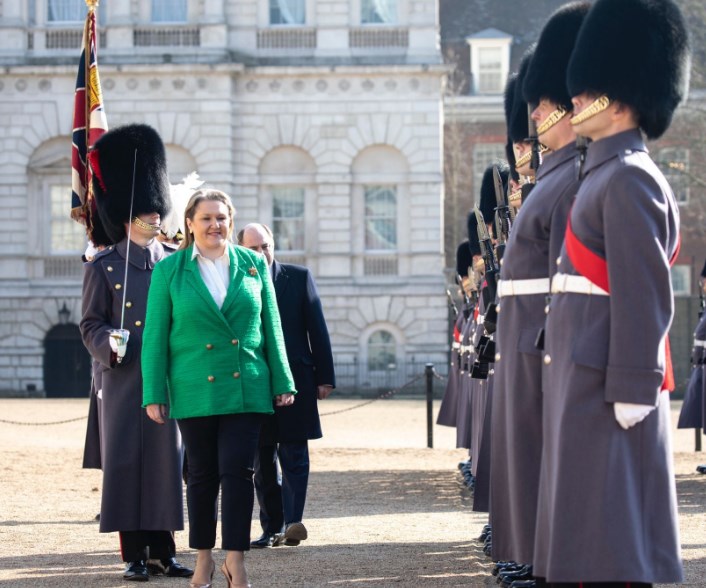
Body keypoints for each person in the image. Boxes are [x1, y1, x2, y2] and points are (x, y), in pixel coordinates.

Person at [535, 0, 690, 585]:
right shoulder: (603, 174)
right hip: (583, 378)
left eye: (585, 89)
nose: (573, 99)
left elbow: (645, 295)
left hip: (608, 386)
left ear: (620, 95)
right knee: (586, 539)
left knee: (611, 545)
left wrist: (633, 385)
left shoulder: (628, 177)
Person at [141, 190, 296, 588]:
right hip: (194, 386)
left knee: (239, 472)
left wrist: (283, 379)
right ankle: (203, 559)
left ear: (231, 220)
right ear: (190, 223)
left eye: (222, 218)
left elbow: (271, 326)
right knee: (202, 475)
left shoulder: (252, 264)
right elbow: (156, 336)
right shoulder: (170, 271)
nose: (215, 225)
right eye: (206, 218)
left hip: (246, 383)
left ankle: (237, 560)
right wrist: (153, 391)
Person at [489, 3, 589, 583]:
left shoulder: (575, 176)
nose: (536, 119)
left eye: (545, 107)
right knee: (528, 457)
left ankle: (548, 560)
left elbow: (567, 271)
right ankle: (537, 556)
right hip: (526, 337)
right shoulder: (555, 176)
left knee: (546, 458)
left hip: (546, 338)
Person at [80, 124, 193, 582]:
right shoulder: (105, 265)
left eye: (156, 212)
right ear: (129, 217)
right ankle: (133, 554)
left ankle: (164, 551)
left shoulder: (173, 261)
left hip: (165, 374)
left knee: (167, 465)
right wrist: (112, 342)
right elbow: (90, 323)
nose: (154, 219)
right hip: (124, 376)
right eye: (146, 214)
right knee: (127, 464)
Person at [238, 223, 335, 549]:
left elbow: (316, 328)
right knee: (262, 461)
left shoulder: (298, 276)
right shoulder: (235, 282)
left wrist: (325, 376)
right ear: (241, 250)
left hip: (297, 380)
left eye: (265, 246)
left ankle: (293, 522)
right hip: (254, 383)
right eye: (253, 248)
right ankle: (271, 528)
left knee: (294, 454)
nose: (261, 253)